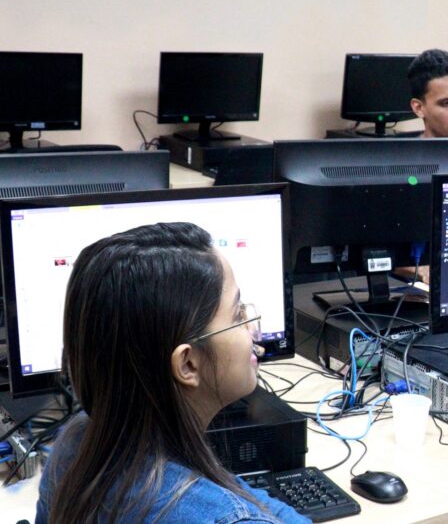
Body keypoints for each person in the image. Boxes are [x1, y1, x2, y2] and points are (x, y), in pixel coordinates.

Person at [37, 222, 307, 523]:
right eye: (237, 314)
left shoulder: (76, 444)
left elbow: (243, 496)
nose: (252, 326)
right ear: (187, 364)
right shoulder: (227, 518)